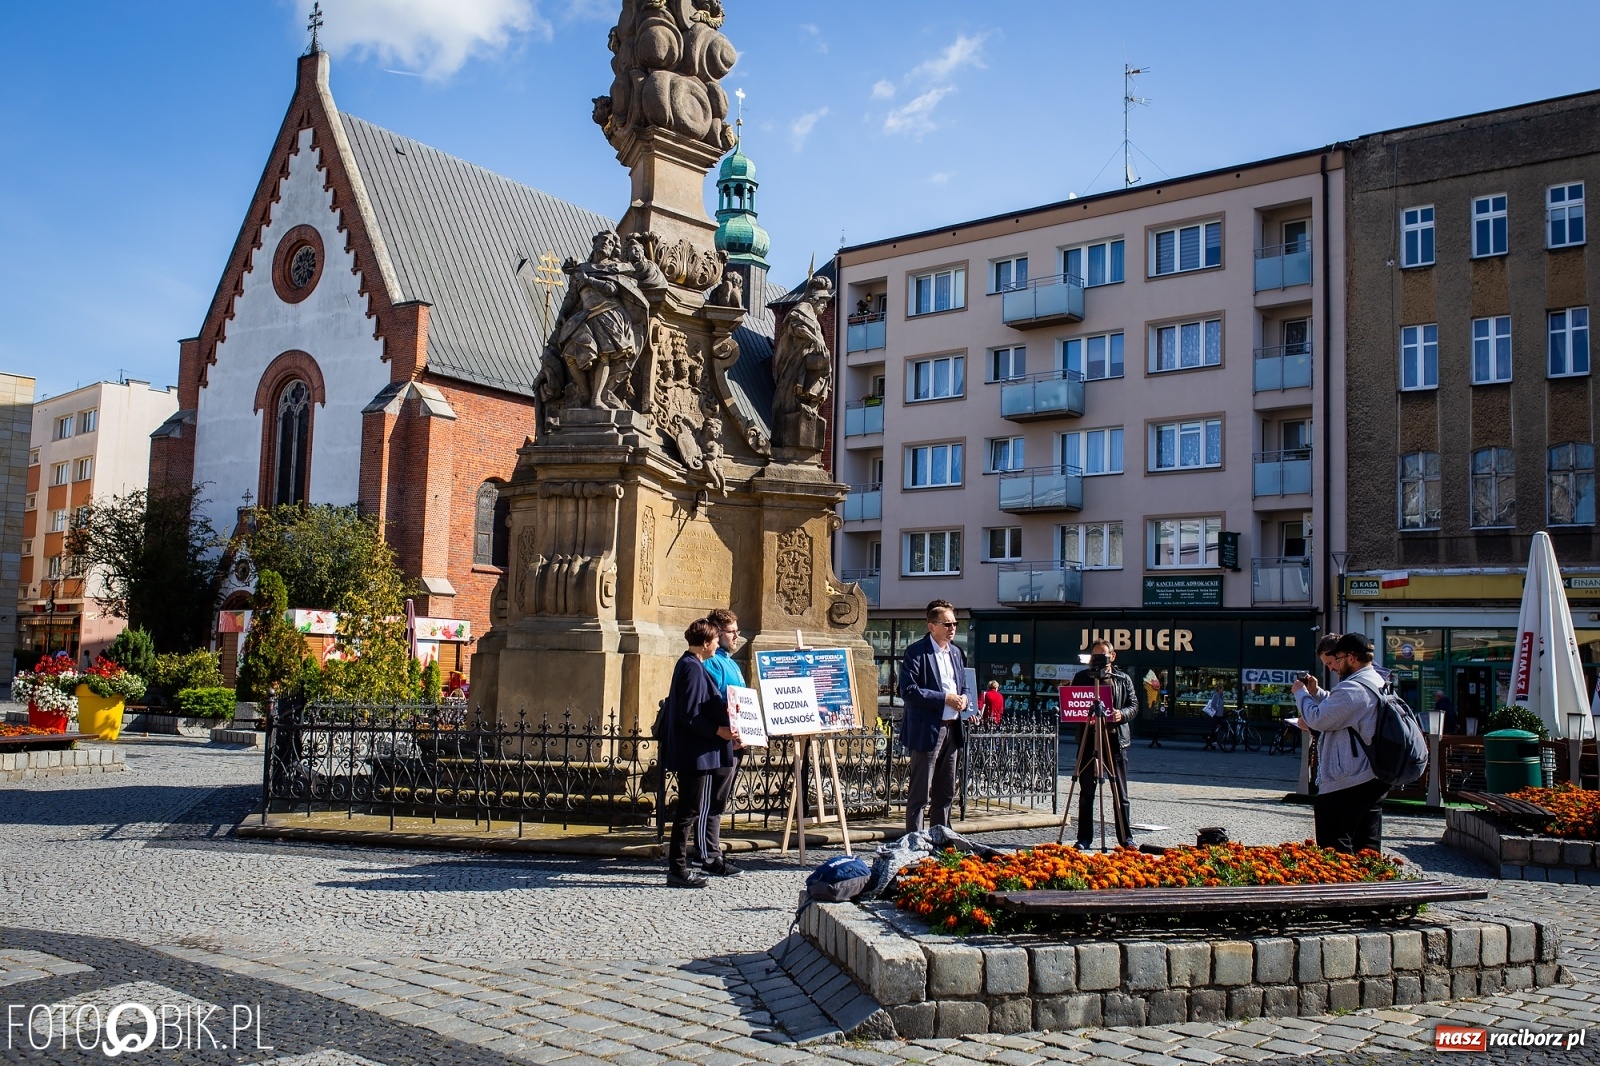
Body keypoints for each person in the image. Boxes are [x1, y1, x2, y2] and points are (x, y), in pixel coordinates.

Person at [660, 619, 740, 887]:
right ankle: (678, 869)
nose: (718, 644)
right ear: (705, 643)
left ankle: (678, 868)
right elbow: (691, 715)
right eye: (715, 640)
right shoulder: (692, 668)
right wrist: (720, 731)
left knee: (689, 810)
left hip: (698, 752)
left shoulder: (691, 665)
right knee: (688, 812)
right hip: (695, 753)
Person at [1292, 631, 1387, 854]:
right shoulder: (1377, 680)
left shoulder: (1353, 688)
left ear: (1351, 658)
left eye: (1338, 659)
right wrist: (1317, 694)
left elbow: (1319, 718)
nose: (1334, 665)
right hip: (1371, 773)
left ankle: (1343, 887)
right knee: (1367, 847)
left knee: (1335, 846)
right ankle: (1370, 885)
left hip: (1349, 778)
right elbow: (1343, 710)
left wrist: (1301, 694)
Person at [899, 599, 972, 833]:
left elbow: (965, 685)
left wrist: (966, 698)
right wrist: (944, 698)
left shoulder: (957, 653)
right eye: (947, 624)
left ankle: (941, 838)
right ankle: (915, 840)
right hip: (927, 729)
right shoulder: (916, 652)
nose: (952, 629)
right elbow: (908, 690)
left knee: (946, 790)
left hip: (953, 728)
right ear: (932, 626)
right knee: (920, 792)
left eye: (955, 624)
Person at [1070, 639, 1139, 848]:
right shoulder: (1082, 677)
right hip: (1088, 739)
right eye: (1095, 655)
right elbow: (1074, 702)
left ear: (1113, 656)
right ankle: (1084, 838)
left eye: (1103, 655)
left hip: (1115, 740)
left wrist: (1122, 714)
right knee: (1086, 792)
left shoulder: (1122, 679)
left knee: (1120, 792)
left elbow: (1134, 705)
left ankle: (1126, 838)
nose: (1098, 660)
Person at [697, 607, 746, 876]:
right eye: (731, 632)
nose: (737, 636)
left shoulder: (731, 662)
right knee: (712, 800)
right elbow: (715, 703)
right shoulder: (712, 662)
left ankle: (709, 851)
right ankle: (708, 854)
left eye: (737, 631)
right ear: (716, 632)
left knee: (719, 799)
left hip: (735, 740)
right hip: (721, 740)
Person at [1202, 682, 1227, 750]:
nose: (1223, 691)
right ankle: (1213, 740)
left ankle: (1214, 740)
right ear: (1219, 689)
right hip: (1217, 715)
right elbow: (1213, 704)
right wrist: (1218, 710)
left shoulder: (1219, 696)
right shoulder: (1216, 695)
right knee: (1218, 727)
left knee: (1217, 728)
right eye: (1222, 689)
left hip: (1219, 715)